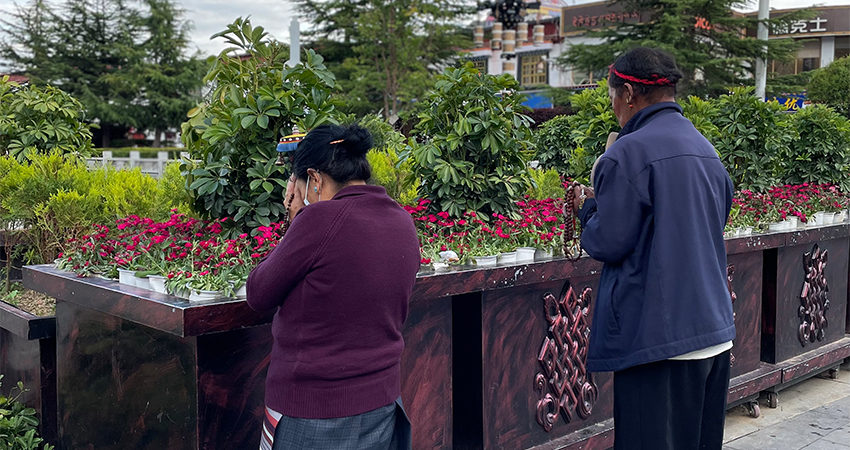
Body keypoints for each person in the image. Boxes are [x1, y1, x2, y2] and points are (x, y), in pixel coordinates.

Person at [570, 47, 736, 450]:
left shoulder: (627, 152)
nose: (613, 107)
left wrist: (587, 210)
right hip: (713, 333)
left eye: (612, 96)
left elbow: (609, 241)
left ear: (628, 94)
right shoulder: (705, 149)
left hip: (657, 341)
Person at [246, 124, 421, 450]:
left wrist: (295, 218)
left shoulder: (318, 220)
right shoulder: (402, 220)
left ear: (314, 179)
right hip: (382, 403)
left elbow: (258, 292)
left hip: (314, 411)